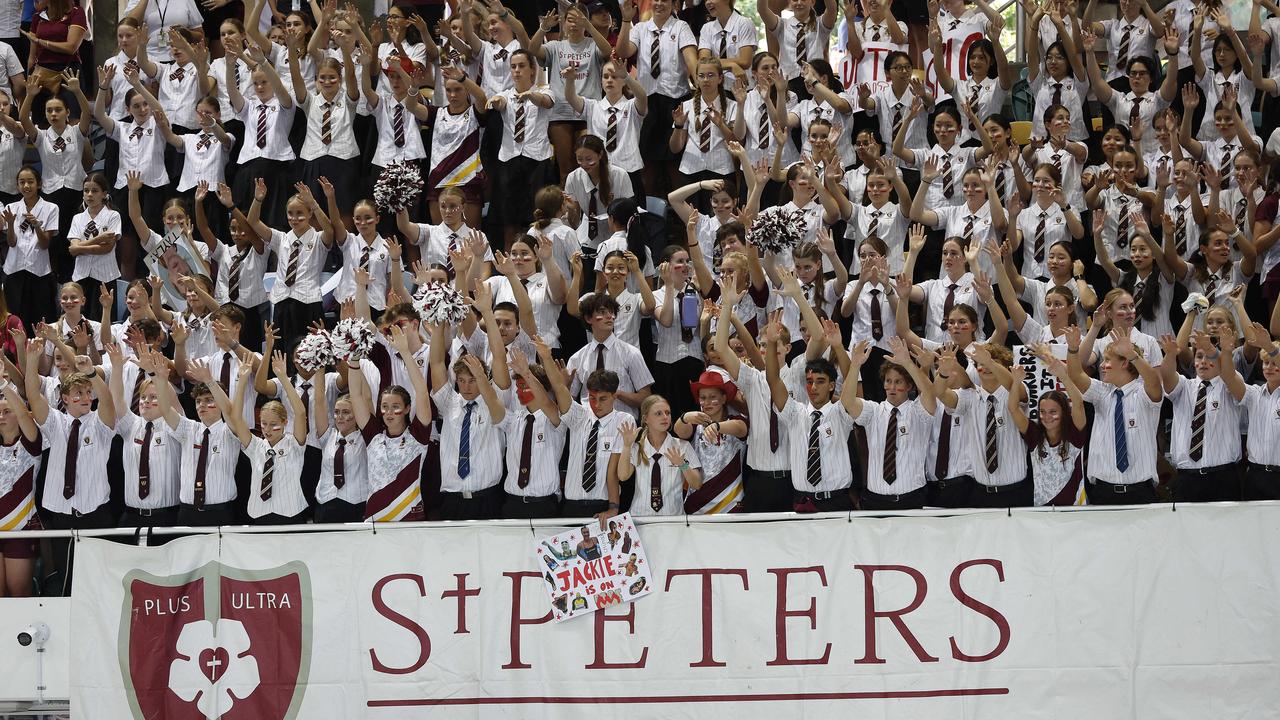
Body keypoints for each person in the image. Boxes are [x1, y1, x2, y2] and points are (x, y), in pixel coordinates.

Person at [1066, 325, 1165, 504]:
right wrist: (1072, 349)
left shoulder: (1143, 393)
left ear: (1125, 363)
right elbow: (1075, 374)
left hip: (1141, 492)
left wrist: (1133, 355)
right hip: (1102, 492)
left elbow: (1155, 382)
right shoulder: (1101, 392)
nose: (1102, 366)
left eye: (1108, 360)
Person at [842, 337, 937, 510]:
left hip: (912, 499)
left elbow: (930, 393)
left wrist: (908, 363)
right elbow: (847, 402)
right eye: (888, 381)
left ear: (909, 386)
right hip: (875, 500)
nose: (892, 387)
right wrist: (855, 366)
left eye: (898, 382)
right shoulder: (874, 411)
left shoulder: (918, 411)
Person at [615, 394, 703, 516]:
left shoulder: (682, 446)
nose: (665, 417)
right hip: (641, 519)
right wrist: (626, 446)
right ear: (646, 419)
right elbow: (623, 476)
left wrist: (682, 464)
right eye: (658, 414)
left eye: (668, 413)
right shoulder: (637, 448)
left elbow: (697, 484)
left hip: (673, 520)